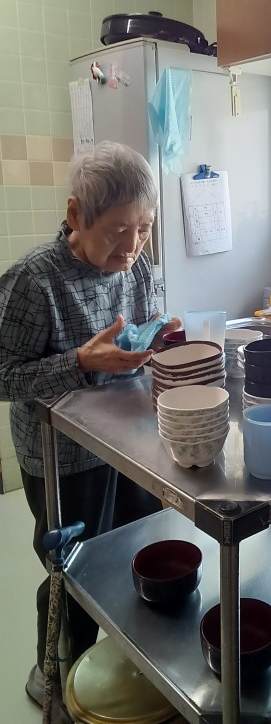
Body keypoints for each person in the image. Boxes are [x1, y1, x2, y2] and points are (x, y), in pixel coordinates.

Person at [0, 141, 182, 718]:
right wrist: (80, 361)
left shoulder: (139, 265)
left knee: (140, 556)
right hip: (61, 457)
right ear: (76, 215)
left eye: (144, 228)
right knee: (73, 575)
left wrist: (163, 341)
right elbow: (3, 375)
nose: (133, 246)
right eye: (117, 230)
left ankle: (126, 669)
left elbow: (144, 336)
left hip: (130, 444)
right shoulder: (34, 281)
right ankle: (56, 681)